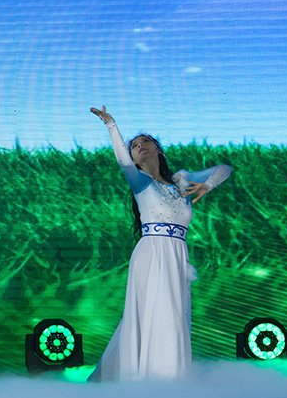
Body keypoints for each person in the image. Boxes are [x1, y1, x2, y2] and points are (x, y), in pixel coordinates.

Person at [87, 106, 231, 381]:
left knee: (174, 317)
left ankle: (171, 379)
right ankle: (146, 380)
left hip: (177, 257)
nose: (139, 146)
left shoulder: (182, 183)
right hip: (152, 254)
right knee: (152, 314)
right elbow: (123, 162)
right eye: (134, 146)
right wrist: (111, 124)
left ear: (159, 150)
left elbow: (224, 169)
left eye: (145, 141)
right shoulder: (140, 181)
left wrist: (207, 185)